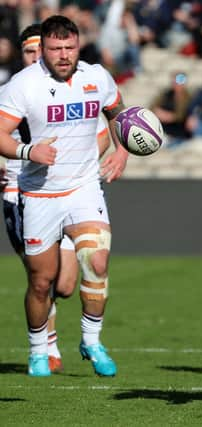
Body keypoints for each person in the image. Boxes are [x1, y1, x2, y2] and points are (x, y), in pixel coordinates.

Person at [0, 15, 129, 377]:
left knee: (97, 263)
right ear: (43, 49)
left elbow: (119, 113)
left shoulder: (96, 76)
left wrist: (122, 150)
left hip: (85, 187)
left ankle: (91, 340)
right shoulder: (22, 85)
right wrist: (28, 152)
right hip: (40, 194)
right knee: (43, 282)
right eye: (55, 49)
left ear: (78, 45)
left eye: (69, 48)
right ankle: (39, 348)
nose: (63, 55)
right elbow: (1, 134)